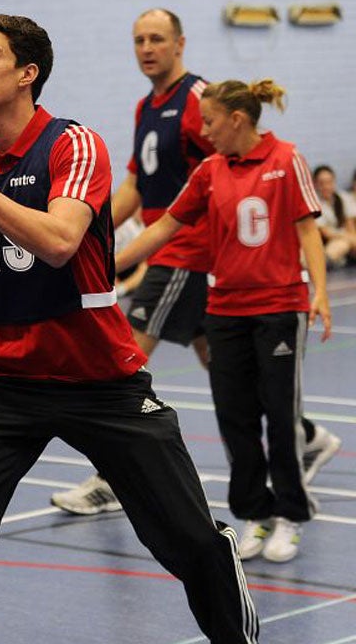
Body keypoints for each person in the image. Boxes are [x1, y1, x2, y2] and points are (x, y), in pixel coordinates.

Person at [0, 14, 258, 643]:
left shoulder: (72, 145)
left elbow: (59, 242)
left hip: (101, 379)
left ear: (28, 75)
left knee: (190, 541)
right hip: (1, 383)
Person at [52, 8, 339, 515]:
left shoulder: (198, 102)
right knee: (228, 377)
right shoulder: (147, 107)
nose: (146, 48)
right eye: (138, 39)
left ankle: (111, 476)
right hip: (182, 257)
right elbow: (136, 190)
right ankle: (305, 434)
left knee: (123, 356)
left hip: (192, 254)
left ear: (180, 44)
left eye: (157, 39)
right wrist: (89, 232)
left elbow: (226, 173)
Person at [115, 79, 329, 563]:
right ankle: (254, 513)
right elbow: (166, 226)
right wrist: (114, 265)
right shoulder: (210, 171)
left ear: (237, 120)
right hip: (225, 310)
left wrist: (320, 293)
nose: (204, 131)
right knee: (235, 418)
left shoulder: (285, 158)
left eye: (210, 121)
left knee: (280, 415)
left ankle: (291, 516)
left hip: (279, 309)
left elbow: (307, 230)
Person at [312, 164, 356, 268]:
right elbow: (326, 233)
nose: (326, 186)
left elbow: (350, 226)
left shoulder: (343, 198)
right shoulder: (314, 204)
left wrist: (351, 239)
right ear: (315, 184)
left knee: (346, 243)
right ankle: (326, 262)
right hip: (328, 243)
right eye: (322, 183)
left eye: (329, 182)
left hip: (347, 241)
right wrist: (348, 238)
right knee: (341, 244)